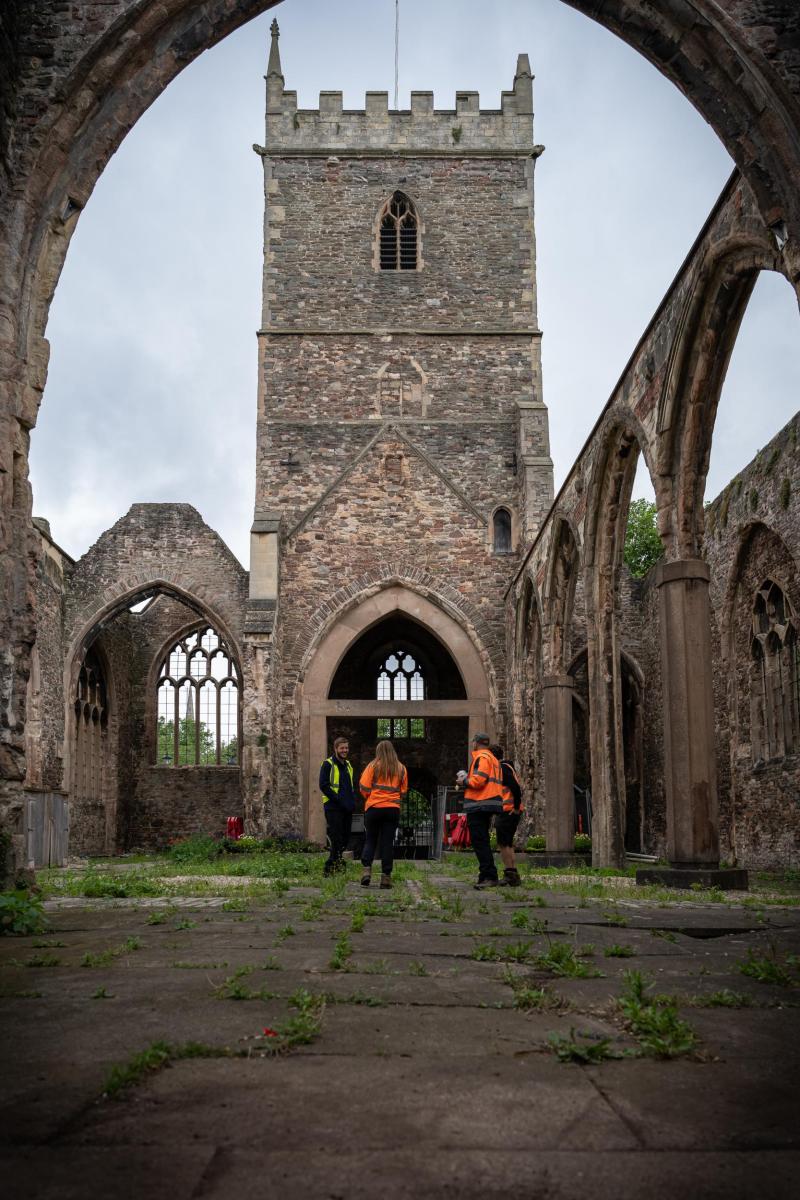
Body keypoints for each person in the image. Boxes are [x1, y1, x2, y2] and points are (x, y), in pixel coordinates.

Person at [456, 733, 504, 889]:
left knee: (480, 842)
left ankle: (490, 876)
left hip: (480, 804)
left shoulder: (482, 757)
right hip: (489, 803)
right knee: (482, 841)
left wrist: (464, 780)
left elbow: (478, 781)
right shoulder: (493, 759)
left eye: (473, 742)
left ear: (476, 743)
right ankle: (485, 875)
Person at [359, 740, 408, 889]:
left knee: (371, 840)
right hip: (392, 809)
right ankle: (386, 878)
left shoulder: (372, 766)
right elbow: (403, 791)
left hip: (374, 808)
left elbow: (363, 787)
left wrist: (371, 798)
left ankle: (366, 872)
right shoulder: (401, 768)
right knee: (387, 843)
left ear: (378, 751)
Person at [319, 734, 356, 876]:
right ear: (335, 749)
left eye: (346, 748)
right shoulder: (327, 764)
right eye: (342, 748)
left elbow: (350, 787)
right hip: (333, 807)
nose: (344, 750)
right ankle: (331, 867)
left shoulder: (348, 765)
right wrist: (338, 799)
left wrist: (351, 803)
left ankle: (336, 862)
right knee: (336, 837)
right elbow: (323, 785)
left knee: (345, 838)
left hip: (347, 808)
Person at [490, 743, 523, 887]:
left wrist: (515, 807)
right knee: (508, 843)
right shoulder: (508, 767)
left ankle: (510, 873)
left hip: (508, 809)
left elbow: (515, 788)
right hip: (510, 809)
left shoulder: (502, 768)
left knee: (503, 844)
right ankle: (512, 874)